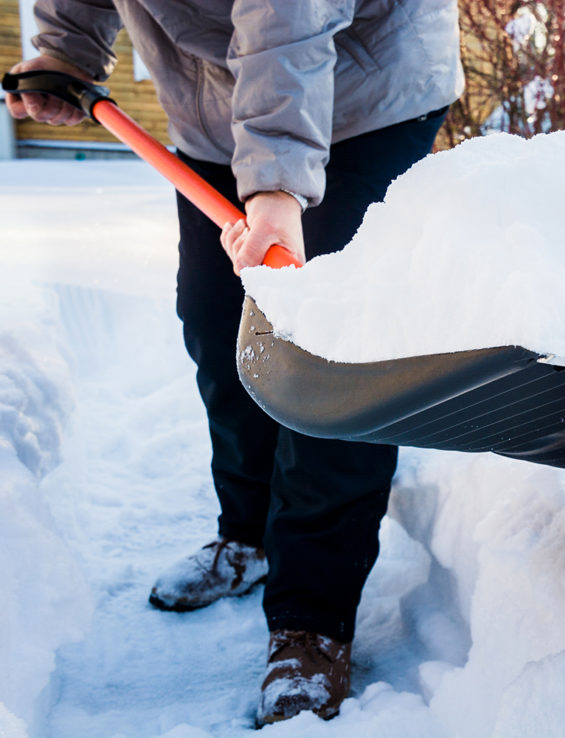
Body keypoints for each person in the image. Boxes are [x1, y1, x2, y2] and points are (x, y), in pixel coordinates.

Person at [6, 0, 462, 726]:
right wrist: (66, 47)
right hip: (215, 107)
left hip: (363, 92)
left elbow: (289, 17)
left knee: (329, 349)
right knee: (218, 321)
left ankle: (313, 616)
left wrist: (276, 187)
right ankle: (246, 533)